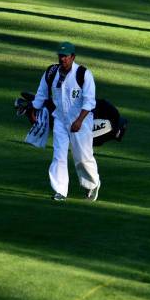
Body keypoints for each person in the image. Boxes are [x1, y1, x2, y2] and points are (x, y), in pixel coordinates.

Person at [32, 41, 101, 201]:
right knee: (59, 155)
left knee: (82, 157)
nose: (62, 59)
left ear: (73, 57)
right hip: (60, 120)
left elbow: (89, 102)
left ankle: (92, 184)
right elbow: (41, 94)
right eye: (60, 56)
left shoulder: (83, 74)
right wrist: (33, 109)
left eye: (66, 56)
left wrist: (79, 120)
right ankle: (60, 191)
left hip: (81, 121)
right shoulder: (51, 72)